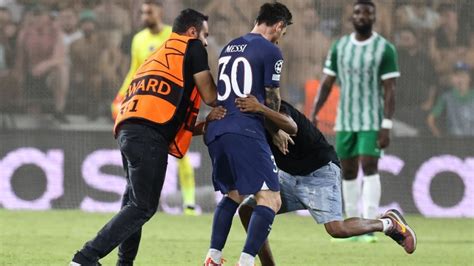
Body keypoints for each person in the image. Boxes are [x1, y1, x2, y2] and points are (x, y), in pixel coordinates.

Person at [70, 9, 217, 266]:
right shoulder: (192, 48)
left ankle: (124, 263)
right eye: (205, 35)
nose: (205, 41)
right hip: (148, 136)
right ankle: (85, 258)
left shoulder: (158, 55)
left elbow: (164, 108)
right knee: (143, 207)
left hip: (129, 130)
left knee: (133, 204)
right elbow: (211, 96)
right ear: (193, 32)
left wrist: (200, 127)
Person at [235, 97, 416, 265]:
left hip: (319, 170)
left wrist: (260, 108)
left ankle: (388, 224)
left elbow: (291, 126)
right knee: (247, 210)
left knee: (337, 229)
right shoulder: (250, 124)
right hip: (289, 176)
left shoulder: (276, 107)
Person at [203, 3, 293, 266]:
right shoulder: (271, 50)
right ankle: (246, 261)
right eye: (282, 33)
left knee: (233, 194)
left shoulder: (229, 47)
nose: (280, 38)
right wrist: (275, 131)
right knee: (271, 199)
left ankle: (213, 258)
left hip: (220, 128)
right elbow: (272, 97)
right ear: (278, 26)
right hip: (245, 130)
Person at [311, 0, 399, 242]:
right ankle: (353, 226)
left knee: (370, 165)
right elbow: (327, 82)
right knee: (347, 170)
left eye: (367, 13)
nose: (362, 16)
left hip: (371, 119)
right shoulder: (341, 46)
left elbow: (390, 89)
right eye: (358, 12)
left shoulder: (384, 48)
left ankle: (371, 224)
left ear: (374, 18)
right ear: (352, 17)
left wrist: (387, 124)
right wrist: (314, 112)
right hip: (346, 119)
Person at [110, 0, 197, 215]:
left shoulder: (173, 36)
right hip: (147, 103)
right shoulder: (139, 39)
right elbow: (135, 71)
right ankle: (138, 199)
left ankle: (189, 204)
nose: (143, 16)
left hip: (171, 101)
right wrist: (121, 95)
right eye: (141, 12)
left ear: (159, 11)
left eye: (147, 12)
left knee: (180, 152)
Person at [427, 62, 474, 137]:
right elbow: (430, 119)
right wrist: (438, 135)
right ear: (452, 78)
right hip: (454, 142)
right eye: (457, 75)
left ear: (469, 78)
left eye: (463, 75)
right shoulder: (446, 97)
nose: (460, 79)